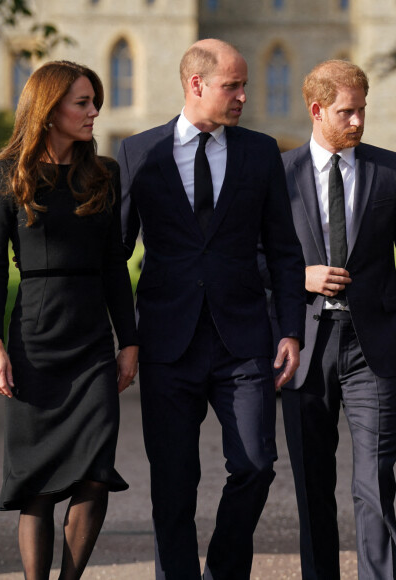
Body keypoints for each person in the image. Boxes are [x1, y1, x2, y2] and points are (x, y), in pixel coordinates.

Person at [118, 39, 306, 579]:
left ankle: (223, 571)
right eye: (233, 85)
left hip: (244, 341)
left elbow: (285, 252)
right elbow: (116, 253)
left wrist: (289, 329)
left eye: (245, 84)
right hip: (165, 342)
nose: (244, 95)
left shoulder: (260, 152)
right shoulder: (140, 153)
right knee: (173, 483)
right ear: (196, 85)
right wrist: (123, 335)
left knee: (256, 466)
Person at [279, 59, 396, 580]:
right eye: (346, 112)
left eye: (362, 111)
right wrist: (300, 277)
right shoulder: (278, 173)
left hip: (371, 347)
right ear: (316, 110)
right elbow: (250, 256)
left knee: (376, 479)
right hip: (304, 347)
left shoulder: (390, 168)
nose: (358, 122)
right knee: (312, 483)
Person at [0, 61, 138, 579]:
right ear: (49, 109)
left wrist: (130, 340)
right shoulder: (6, 173)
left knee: (96, 474)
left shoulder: (105, 174)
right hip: (34, 339)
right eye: (82, 103)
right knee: (37, 482)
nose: (93, 112)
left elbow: (113, 266)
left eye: (93, 101)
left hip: (92, 343)